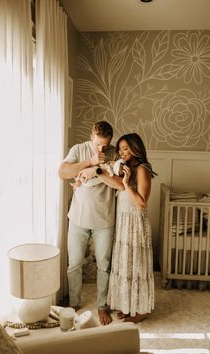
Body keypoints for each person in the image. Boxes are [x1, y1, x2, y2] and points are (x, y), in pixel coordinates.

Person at [58, 121, 123, 326]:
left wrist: (97, 171)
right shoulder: (79, 149)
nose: (101, 149)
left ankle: (102, 305)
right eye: (97, 144)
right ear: (90, 137)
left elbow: (120, 185)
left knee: (104, 265)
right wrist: (90, 162)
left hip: (104, 220)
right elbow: (62, 172)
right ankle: (75, 302)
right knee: (74, 263)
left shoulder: (116, 154)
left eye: (105, 145)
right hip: (78, 218)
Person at [107, 133, 157, 323]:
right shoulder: (128, 168)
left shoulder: (142, 169)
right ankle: (130, 306)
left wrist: (127, 185)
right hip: (124, 223)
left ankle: (141, 310)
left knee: (137, 267)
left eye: (126, 148)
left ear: (136, 148)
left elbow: (141, 203)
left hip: (135, 223)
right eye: (120, 149)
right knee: (127, 266)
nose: (122, 152)